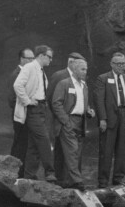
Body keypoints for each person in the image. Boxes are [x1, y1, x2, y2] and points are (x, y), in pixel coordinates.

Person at [51, 55, 95, 191]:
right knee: (72, 151)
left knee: (76, 152)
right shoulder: (64, 83)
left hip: (81, 122)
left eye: (86, 69)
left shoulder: (84, 86)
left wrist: (88, 111)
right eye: (82, 69)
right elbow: (56, 103)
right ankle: (77, 181)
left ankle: (68, 181)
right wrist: (65, 121)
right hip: (68, 121)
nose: (85, 72)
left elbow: (83, 103)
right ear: (75, 70)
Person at [94, 51, 125, 188]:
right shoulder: (103, 78)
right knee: (106, 150)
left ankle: (118, 179)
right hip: (110, 117)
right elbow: (99, 100)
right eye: (118, 64)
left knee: (123, 150)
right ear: (111, 64)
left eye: (123, 64)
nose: (121, 66)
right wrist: (102, 119)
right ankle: (103, 181)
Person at [12, 45, 55, 181]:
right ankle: (49, 172)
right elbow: (17, 85)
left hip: (41, 109)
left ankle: (28, 176)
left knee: (33, 145)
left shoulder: (40, 70)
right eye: (49, 57)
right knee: (44, 140)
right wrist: (27, 101)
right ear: (41, 55)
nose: (51, 60)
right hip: (33, 110)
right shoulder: (30, 67)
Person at [50, 52, 85, 179]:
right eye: (81, 67)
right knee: (63, 150)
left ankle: (70, 179)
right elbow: (51, 99)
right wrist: (63, 118)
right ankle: (64, 178)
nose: (84, 71)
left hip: (78, 120)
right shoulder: (59, 76)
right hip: (64, 119)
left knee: (73, 151)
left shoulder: (82, 81)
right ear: (71, 63)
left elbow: (81, 99)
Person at [8, 48, 35, 175]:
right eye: (29, 58)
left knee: (22, 144)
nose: (32, 61)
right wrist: (22, 110)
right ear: (22, 59)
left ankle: (18, 171)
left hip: (26, 115)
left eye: (33, 58)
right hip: (20, 116)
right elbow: (12, 99)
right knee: (20, 144)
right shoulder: (17, 74)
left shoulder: (26, 73)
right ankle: (16, 172)